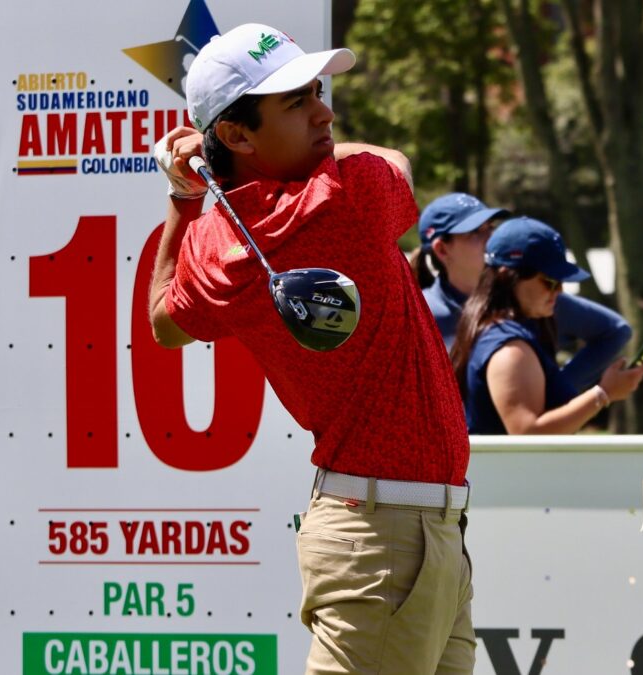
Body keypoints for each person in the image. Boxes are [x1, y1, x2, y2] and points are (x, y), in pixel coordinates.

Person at [148, 24, 474, 674]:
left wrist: (185, 197)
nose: (325, 112)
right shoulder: (352, 192)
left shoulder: (221, 247)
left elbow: (164, 319)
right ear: (238, 134)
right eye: (296, 103)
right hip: (382, 537)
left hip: (404, 531)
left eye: (316, 92)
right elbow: (399, 163)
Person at [413, 192, 633, 389]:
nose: (490, 238)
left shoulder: (530, 297)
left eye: (490, 228)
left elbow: (616, 330)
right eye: (475, 233)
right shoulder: (417, 316)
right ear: (442, 250)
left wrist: (558, 390)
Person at [450, 217, 643, 434]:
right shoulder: (510, 350)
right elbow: (527, 433)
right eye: (551, 282)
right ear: (508, 276)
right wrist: (603, 394)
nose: (560, 291)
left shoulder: (499, 332)